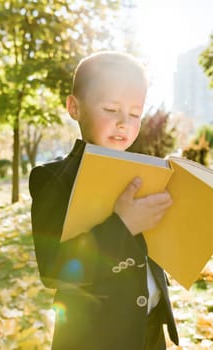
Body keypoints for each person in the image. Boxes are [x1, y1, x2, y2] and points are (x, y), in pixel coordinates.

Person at [29, 51, 179, 350]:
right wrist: (122, 225)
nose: (124, 123)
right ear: (74, 107)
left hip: (148, 332)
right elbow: (54, 269)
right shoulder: (53, 179)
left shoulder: (145, 173)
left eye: (135, 114)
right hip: (93, 338)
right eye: (111, 109)